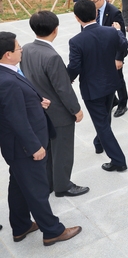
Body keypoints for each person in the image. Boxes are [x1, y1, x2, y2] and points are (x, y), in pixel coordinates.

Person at [0, 32, 82, 246]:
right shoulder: (6, 81)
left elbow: (11, 108)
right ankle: (52, 230)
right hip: (25, 147)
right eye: (18, 48)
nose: (22, 50)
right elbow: (15, 119)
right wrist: (35, 146)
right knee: (37, 189)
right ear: (8, 54)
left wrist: (35, 102)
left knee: (18, 185)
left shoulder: (7, 72)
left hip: (17, 147)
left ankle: (21, 226)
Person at [20, 11, 89, 198]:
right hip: (58, 113)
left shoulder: (26, 49)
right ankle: (63, 185)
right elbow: (63, 89)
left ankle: (49, 182)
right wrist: (76, 110)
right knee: (63, 151)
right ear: (55, 30)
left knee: (49, 149)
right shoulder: (52, 57)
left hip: (39, 110)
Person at [67, 0, 128, 172]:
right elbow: (123, 46)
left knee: (102, 123)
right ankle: (99, 142)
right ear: (96, 14)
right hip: (111, 83)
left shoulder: (76, 41)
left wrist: (68, 78)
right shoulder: (111, 32)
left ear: (77, 18)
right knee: (104, 118)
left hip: (92, 88)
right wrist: (118, 32)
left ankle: (118, 160)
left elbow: (74, 66)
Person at [86, 0, 128, 118]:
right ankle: (113, 100)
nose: (91, 5)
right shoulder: (90, 11)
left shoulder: (114, 12)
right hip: (98, 53)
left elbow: (121, 37)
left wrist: (119, 58)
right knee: (104, 78)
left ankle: (123, 103)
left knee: (117, 78)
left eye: (94, 2)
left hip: (112, 53)